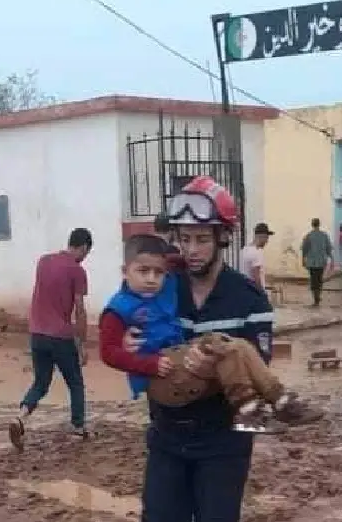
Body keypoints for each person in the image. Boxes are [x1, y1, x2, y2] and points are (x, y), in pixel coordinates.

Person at [98, 175, 282, 522]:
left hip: (224, 444)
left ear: (222, 237)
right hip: (166, 438)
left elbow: (260, 365)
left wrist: (212, 370)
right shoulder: (159, 287)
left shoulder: (250, 299)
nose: (191, 249)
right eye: (184, 239)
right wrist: (124, 341)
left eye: (201, 239)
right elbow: (121, 313)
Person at [102, 233, 321, 433]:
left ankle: (280, 400)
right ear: (125, 272)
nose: (151, 278)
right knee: (224, 351)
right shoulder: (118, 308)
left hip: (179, 359)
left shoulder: (165, 286)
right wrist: (148, 364)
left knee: (237, 345)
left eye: (158, 272)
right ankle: (247, 409)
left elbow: (179, 261)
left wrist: (175, 255)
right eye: (143, 271)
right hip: (160, 378)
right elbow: (108, 353)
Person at [8, 227, 93, 451]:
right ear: (84, 247)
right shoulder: (77, 271)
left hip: (37, 333)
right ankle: (78, 427)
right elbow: (80, 310)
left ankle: (20, 417)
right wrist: (82, 345)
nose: (85, 258)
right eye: (86, 253)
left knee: (40, 383)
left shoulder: (43, 261)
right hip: (60, 336)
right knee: (75, 382)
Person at [300, 218, 333, 307]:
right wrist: (332, 260)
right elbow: (329, 248)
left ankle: (316, 298)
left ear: (312, 224)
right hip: (322, 262)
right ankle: (318, 296)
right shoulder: (324, 235)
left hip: (312, 262)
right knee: (319, 279)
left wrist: (303, 260)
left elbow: (304, 249)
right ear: (319, 224)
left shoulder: (308, 236)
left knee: (313, 280)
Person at [239, 222, 272, 289]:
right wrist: (261, 292)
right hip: (254, 291)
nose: (267, 241)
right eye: (266, 238)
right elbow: (257, 277)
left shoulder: (245, 250)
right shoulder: (257, 253)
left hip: (245, 288)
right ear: (261, 236)